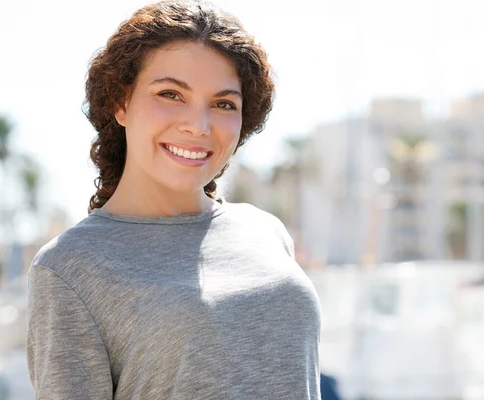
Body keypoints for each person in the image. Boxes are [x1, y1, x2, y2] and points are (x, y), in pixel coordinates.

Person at [25, 1, 322, 399]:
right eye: (170, 94)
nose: (198, 126)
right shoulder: (69, 267)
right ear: (121, 102)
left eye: (223, 104)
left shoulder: (264, 231)